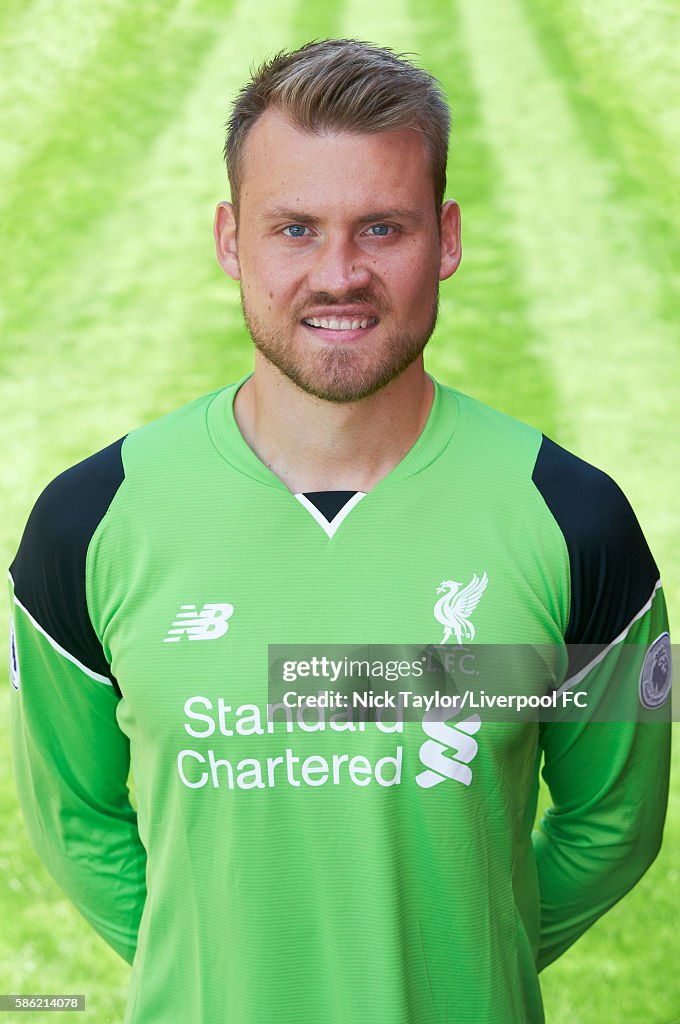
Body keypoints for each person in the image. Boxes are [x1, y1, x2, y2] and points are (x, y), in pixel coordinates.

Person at [8, 38, 671, 1024]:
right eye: (293, 229)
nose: (338, 273)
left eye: (380, 228)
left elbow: (612, 821)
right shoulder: (88, 521)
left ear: (443, 240)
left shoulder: (574, 519)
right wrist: (222, 955)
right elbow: (74, 816)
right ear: (231, 240)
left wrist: (459, 946)